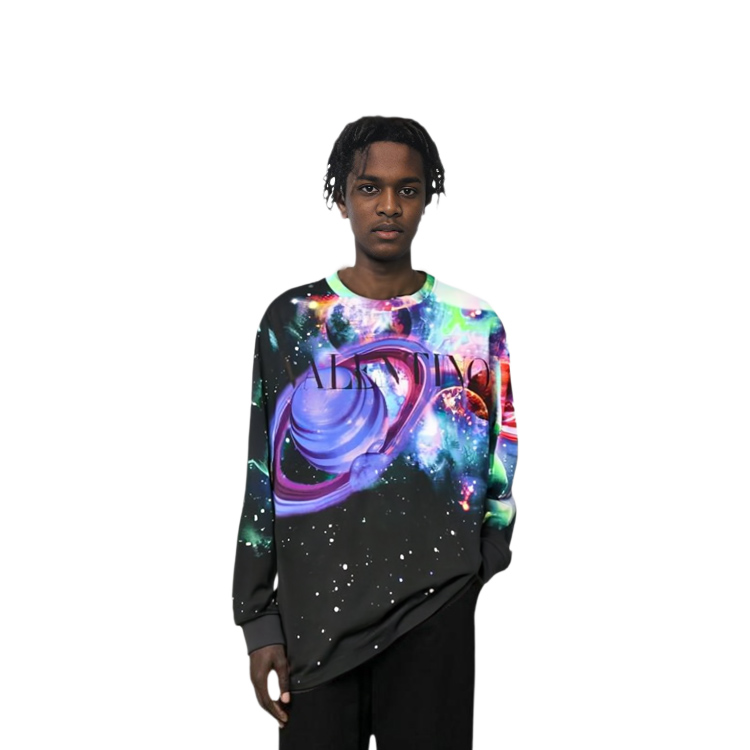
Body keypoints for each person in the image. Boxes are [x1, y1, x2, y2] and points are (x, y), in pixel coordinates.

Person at [232, 115, 519, 749]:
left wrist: (481, 561)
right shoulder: (294, 321)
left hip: (434, 613)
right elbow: (263, 473)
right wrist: (259, 619)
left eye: (407, 189)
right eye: (369, 188)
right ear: (342, 198)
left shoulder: (472, 325)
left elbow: (500, 456)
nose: (389, 206)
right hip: (315, 624)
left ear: (426, 198)